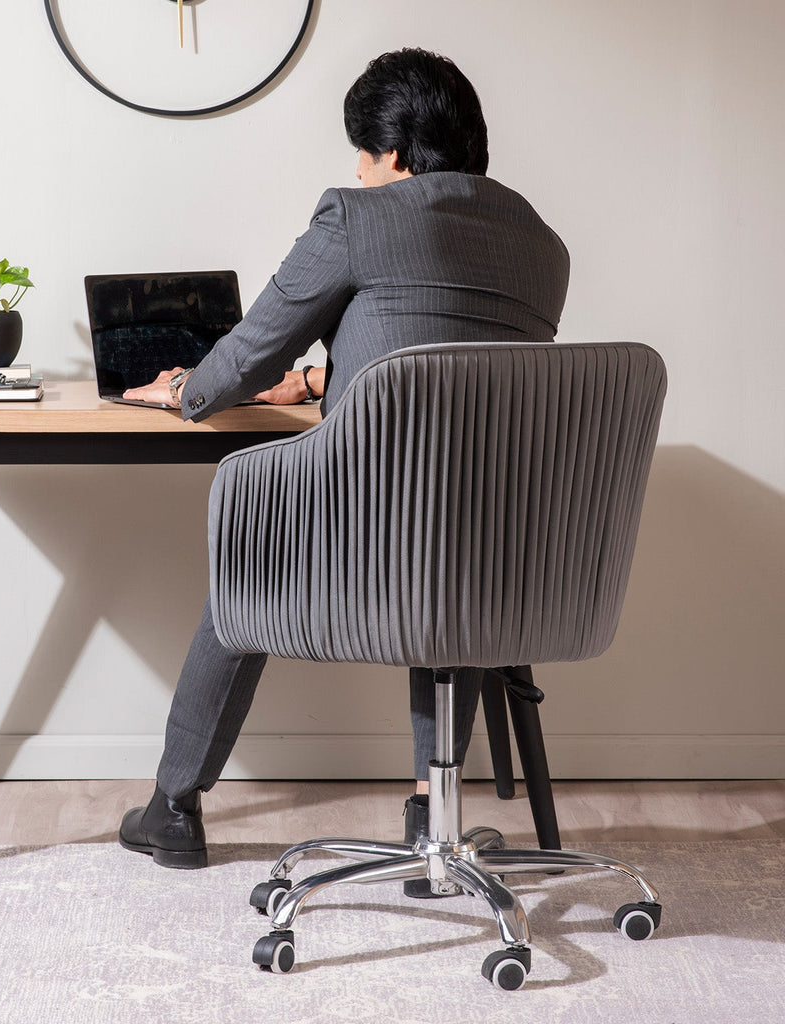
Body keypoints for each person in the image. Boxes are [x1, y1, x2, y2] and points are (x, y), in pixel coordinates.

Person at [118, 48, 570, 880]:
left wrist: (187, 389)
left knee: (247, 564)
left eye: (363, 155)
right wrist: (330, 378)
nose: (358, 172)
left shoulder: (360, 216)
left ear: (393, 154)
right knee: (453, 562)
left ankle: (174, 809)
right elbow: (463, 370)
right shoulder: (542, 246)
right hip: (501, 561)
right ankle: (433, 810)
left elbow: (253, 351)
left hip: (358, 552)